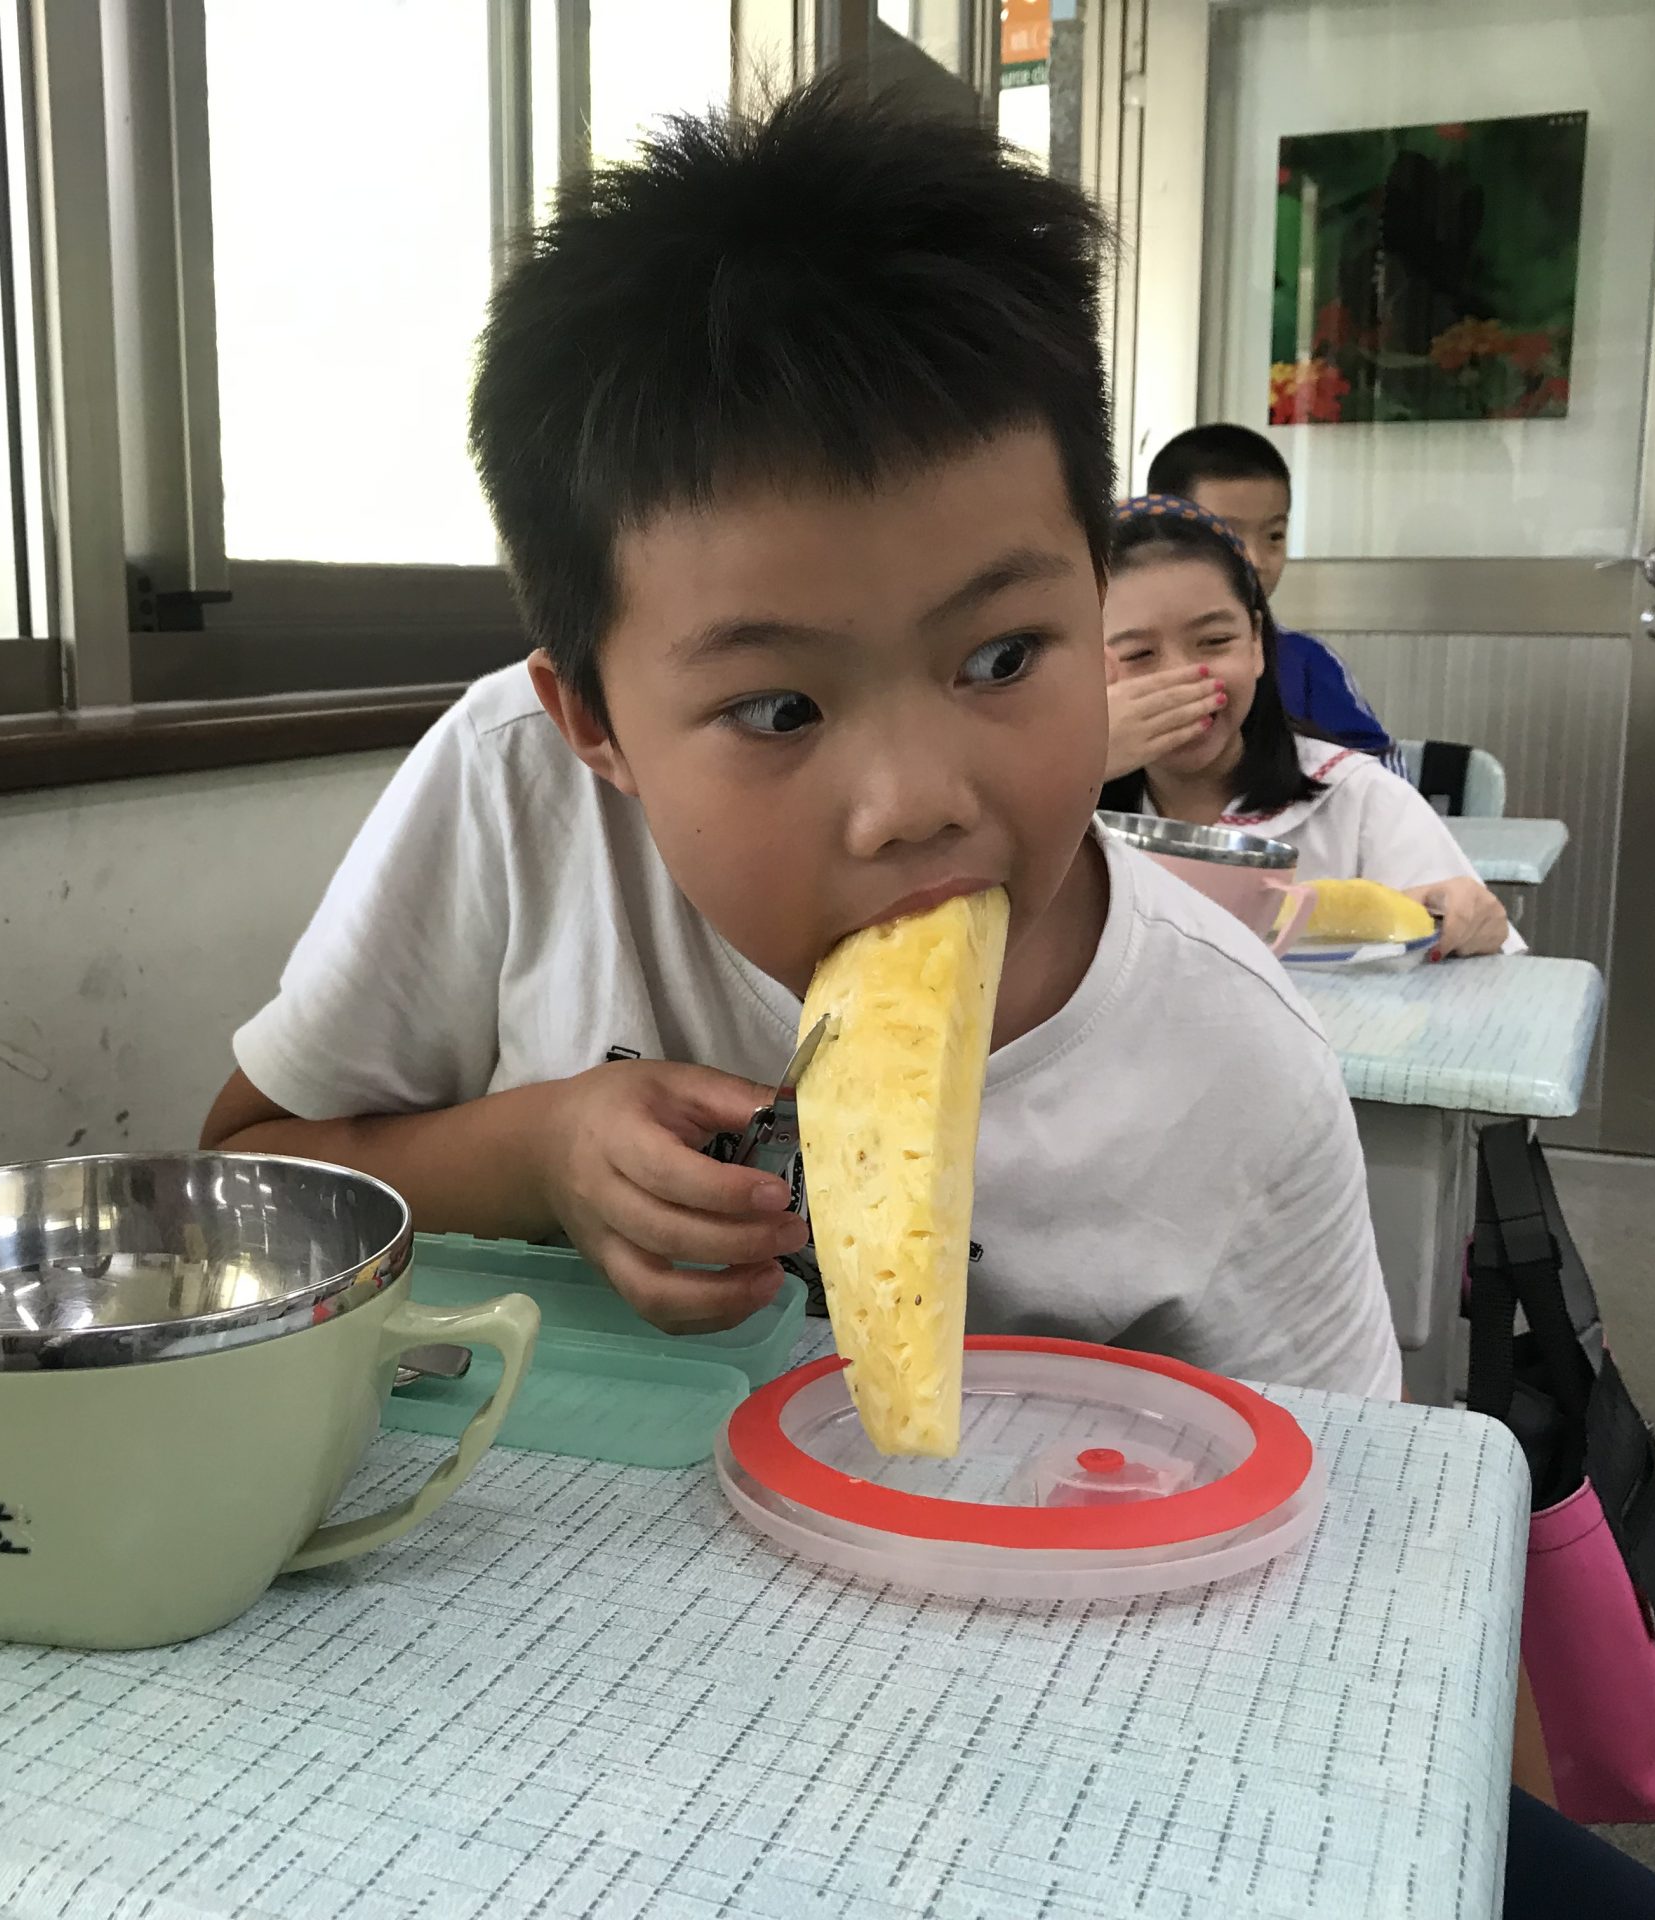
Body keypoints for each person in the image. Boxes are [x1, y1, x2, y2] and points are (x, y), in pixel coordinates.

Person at [197, 79, 1399, 1398]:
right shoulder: (519, 790)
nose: (914, 803)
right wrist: (536, 1154)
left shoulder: (1238, 1064)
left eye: (1002, 658)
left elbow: (1329, 1487)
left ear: (1096, 600)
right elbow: (248, 1181)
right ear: (594, 724)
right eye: (779, 710)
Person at [1097, 497, 1514, 957]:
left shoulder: (1358, 800)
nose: (1182, 680)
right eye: (1138, 654)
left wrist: (1467, 921)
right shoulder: (1064, 811)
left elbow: (1474, 947)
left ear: (1256, 644)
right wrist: (1082, 764)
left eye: (1214, 641)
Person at [1144, 423, 1401, 773]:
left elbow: (1384, 775)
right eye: (1227, 534)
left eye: (1274, 536)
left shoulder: (1309, 664)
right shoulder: (1106, 662)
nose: (1255, 559)